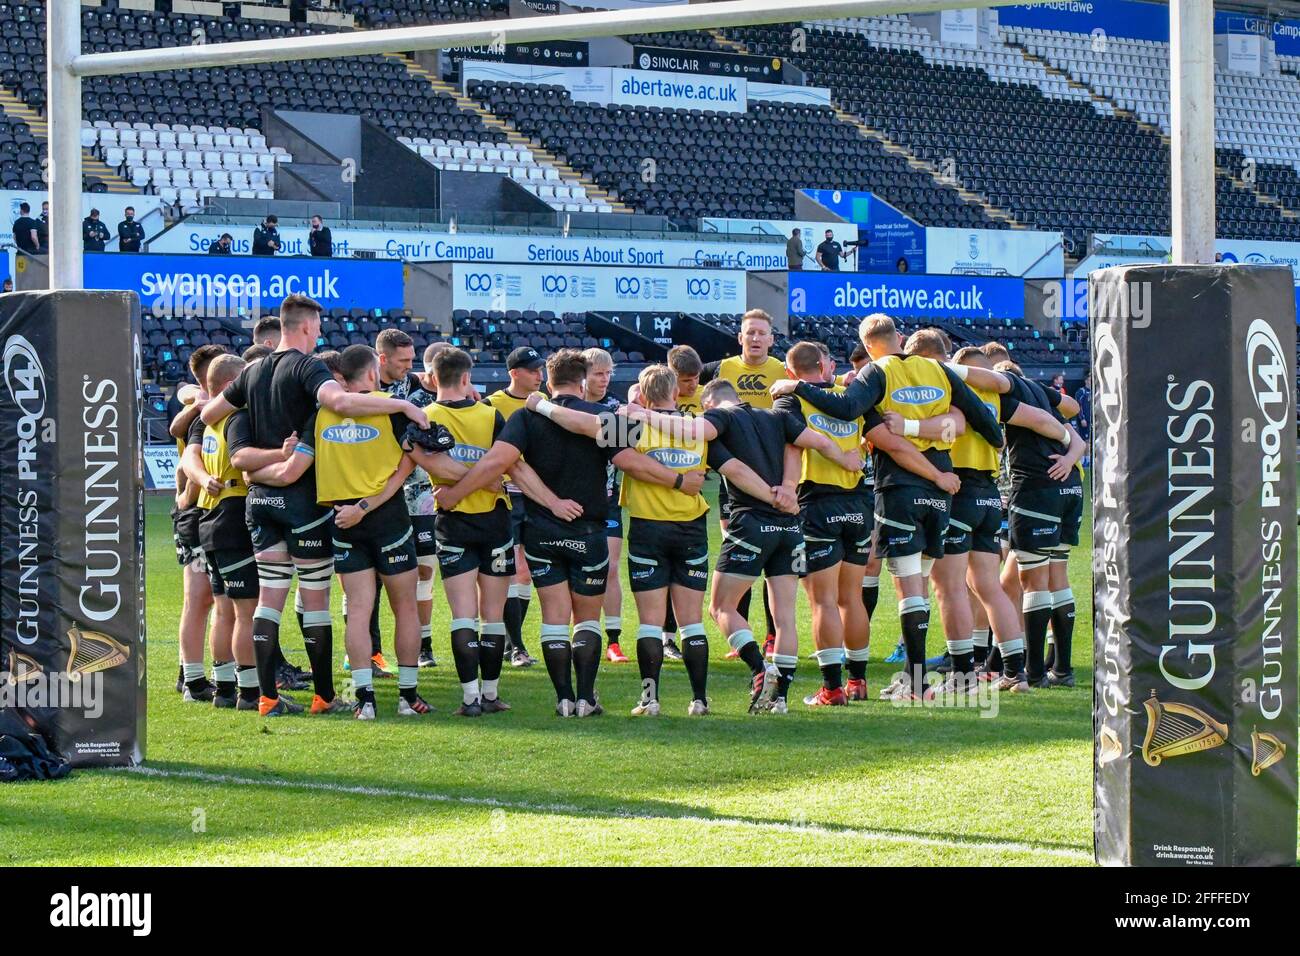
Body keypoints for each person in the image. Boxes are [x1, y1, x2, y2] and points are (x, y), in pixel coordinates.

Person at [200, 294, 430, 717]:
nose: (320, 333)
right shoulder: (308, 367)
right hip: (304, 501)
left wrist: (257, 464)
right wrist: (401, 404)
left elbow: (210, 412)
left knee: (268, 599)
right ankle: (324, 695)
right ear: (307, 327)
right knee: (316, 600)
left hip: (259, 500)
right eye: (319, 327)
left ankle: (266, 697)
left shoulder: (250, 372)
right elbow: (340, 403)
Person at [437, 349, 692, 718]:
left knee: (554, 617)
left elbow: (497, 462)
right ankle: (586, 699)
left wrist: (454, 495)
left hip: (541, 530)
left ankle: (563, 700)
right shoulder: (601, 415)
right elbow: (631, 460)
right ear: (584, 380)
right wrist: (679, 480)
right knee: (587, 619)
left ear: (548, 379)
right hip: (588, 530)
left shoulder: (525, 416)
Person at [770, 313, 1003, 699]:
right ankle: (963, 677)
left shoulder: (878, 372)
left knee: (909, 586)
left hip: (900, 487)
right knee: (941, 587)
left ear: (867, 343)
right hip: (943, 489)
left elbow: (847, 410)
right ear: (899, 336)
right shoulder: (938, 371)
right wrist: (957, 431)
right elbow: (983, 422)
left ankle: (913, 682)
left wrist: (796, 387)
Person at [626, 379, 862, 714]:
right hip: (790, 527)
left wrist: (642, 415)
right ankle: (780, 699)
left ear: (710, 405)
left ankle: (758, 668)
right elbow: (816, 441)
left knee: (721, 607)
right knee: (785, 617)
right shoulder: (776, 417)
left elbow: (728, 462)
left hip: (751, 523)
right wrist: (840, 463)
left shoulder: (723, 421)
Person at [257, 345, 453, 719]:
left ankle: (364, 700)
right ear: (371, 374)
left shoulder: (320, 416)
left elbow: (292, 471)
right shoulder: (391, 409)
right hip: (387, 519)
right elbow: (408, 466)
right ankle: (408, 697)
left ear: (341, 379)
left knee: (358, 612)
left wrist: (253, 473)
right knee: (405, 608)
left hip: (343, 520)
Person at [407, 347, 537, 715]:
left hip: (452, 522)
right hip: (495, 521)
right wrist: (486, 481)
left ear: (433, 378)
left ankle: (470, 699)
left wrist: (462, 483)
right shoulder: (490, 415)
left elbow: (431, 461)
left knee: (463, 615)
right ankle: (492, 695)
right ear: (466, 378)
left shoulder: (426, 415)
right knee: (492, 616)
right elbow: (508, 466)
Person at [698, 310, 787, 656]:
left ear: (771, 339)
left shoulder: (782, 371)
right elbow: (684, 376)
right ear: (739, 338)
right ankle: (742, 628)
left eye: (761, 333)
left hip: (772, 471)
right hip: (732, 478)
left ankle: (769, 636)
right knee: (736, 555)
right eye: (749, 332)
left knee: (772, 562)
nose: (754, 338)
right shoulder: (722, 369)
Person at [180, 353, 260, 710]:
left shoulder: (205, 419)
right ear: (231, 386)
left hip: (209, 518)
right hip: (232, 515)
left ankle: (225, 689)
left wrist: (199, 482)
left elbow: (189, 456)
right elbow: (245, 467)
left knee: (224, 610)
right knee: (246, 611)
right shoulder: (235, 418)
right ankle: (251, 692)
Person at [166, 345, 228, 701]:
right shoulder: (200, 410)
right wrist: (191, 489)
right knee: (199, 598)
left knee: (216, 598)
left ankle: (193, 674)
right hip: (195, 510)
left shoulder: (203, 403)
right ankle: (190, 679)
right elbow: (187, 447)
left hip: (207, 506)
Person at [375, 328, 438, 669]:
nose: (409, 367)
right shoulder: (362, 387)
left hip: (419, 493)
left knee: (425, 570)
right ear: (381, 359)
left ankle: (424, 645)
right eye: (403, 361)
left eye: (412, 359)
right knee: (369, 579)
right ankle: (371, 650)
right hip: (375, 490)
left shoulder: (416, 385)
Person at [483, 346, 547, 668]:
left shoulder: (545, 404)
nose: (540, 375)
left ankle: (514, 645)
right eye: (533, 370)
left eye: (541, 369)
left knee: (526, 574)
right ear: (514, 373)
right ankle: (516, 646)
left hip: (535, 496)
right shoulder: (492, 405)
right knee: (513, 571)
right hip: (507, 497)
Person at [580, 348, 628, 664]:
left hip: (608, 500)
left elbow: (628, 445)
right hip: (571, 502)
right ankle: (584, 633)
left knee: (610, 568)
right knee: (580, 571)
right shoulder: (565, 403)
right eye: (598, 373)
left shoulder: (615, 407)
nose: (605, 379)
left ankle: (613, 641)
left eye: (608, 373)